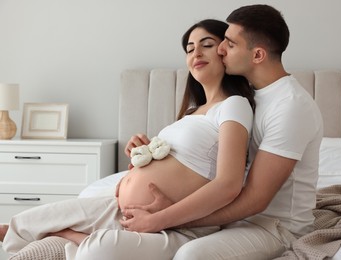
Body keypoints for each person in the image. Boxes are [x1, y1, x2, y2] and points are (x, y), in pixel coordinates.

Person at [0, 19, 255, 259]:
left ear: (225, 51)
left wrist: (160, 218)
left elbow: (228, 185)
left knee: (100, 250)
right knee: (30, 220)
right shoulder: (189, 114)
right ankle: (57, 234)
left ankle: (68, 236)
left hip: (177, 227)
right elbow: (179, 167)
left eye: (207, 45)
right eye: (189, 49)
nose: (196, 53)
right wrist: (141, 156)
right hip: (122, 208)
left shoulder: (233, 105)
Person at [120, 4, 324, 260]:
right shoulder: (247, 98)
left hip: (273, 227)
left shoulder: (290, 106)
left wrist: (167, 218)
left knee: (191, 255)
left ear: (258, 55)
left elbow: (256, 200)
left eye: (230, 43)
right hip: (230, 216)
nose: (220, 49)